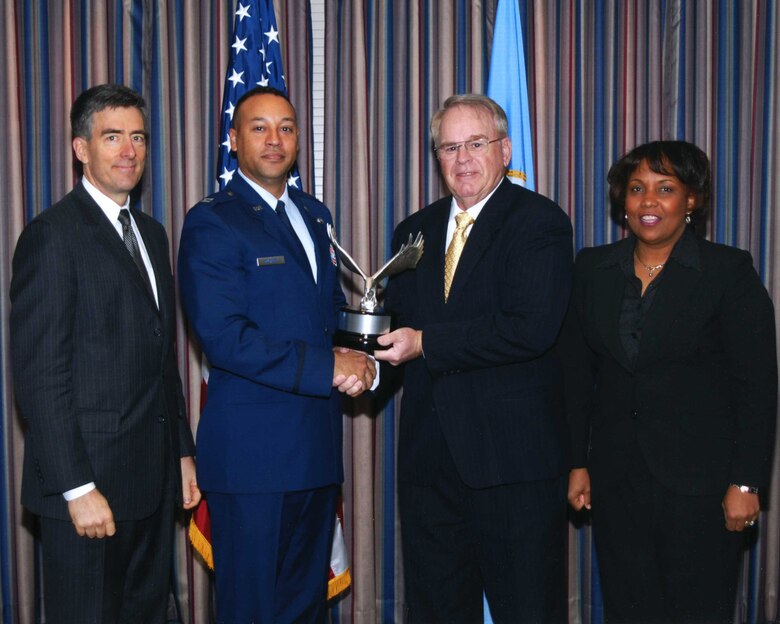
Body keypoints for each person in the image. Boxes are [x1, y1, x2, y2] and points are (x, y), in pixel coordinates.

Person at [177, 85, 375, 623]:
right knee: (252, 611)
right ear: (234, 139)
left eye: (286, 127)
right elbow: (226, 337)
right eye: (259, 127)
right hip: (252, 463)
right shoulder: (212, 221)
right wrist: (330, 366)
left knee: (303, 609)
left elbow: (330, 312)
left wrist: (368, 357)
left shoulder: (315, 215)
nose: (274, 139)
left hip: (315, 453)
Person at [374, 94, 573, 623]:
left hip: (512, 468)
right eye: (449, 147)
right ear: (436, 157)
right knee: (436, 611)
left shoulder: (540, 223)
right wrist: (362, 361)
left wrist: (427, 343)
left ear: (504, 150)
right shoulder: (412, 232)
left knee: (527, 610)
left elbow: (529, 329)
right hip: (429, 468)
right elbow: (397, 327)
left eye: (477, 144)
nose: (463, 159)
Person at [563, 140, 777, 623]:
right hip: (617, 481)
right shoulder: (592, 269)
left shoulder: (727, 272)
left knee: (697, 611)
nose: (648, 202)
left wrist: (747, 481)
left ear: (692, 200)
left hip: (701, 485)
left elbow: (757, 386)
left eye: (665, 189)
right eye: (636, 189)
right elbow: (576, 377)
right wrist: (577, 462)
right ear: (623, 201)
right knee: (628, 608)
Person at [10, 83, 201, 624]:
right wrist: (77, 488)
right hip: (87, 494)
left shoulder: (152, 234)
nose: (129, 151)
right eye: (112, 136)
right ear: (81, 149)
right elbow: (42, 378)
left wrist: (181, 450)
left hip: (152, 484)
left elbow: (162, 357)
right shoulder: (52, 237)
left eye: (137, 137)